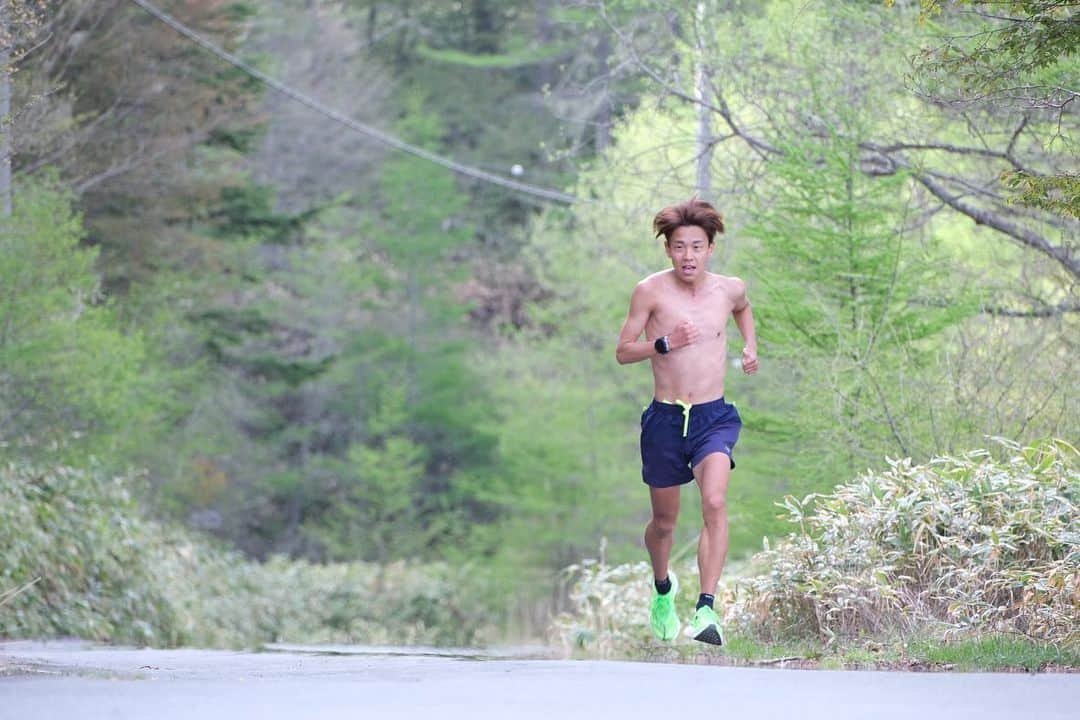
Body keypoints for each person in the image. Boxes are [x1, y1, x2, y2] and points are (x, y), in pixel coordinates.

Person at [615, 198, 758, 646]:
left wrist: (750, 345)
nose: (689, 256)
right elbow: (623, 351)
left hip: (713, 416)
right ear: (668, 251)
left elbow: (744, 307)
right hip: (665, 418)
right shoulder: (650, 291)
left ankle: (706, 610)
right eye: (680, 247)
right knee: (664, 524)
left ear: (711, 248)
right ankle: (662, 589)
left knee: (714, 502)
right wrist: (664, 343)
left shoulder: (729, 289)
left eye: (697, 246)